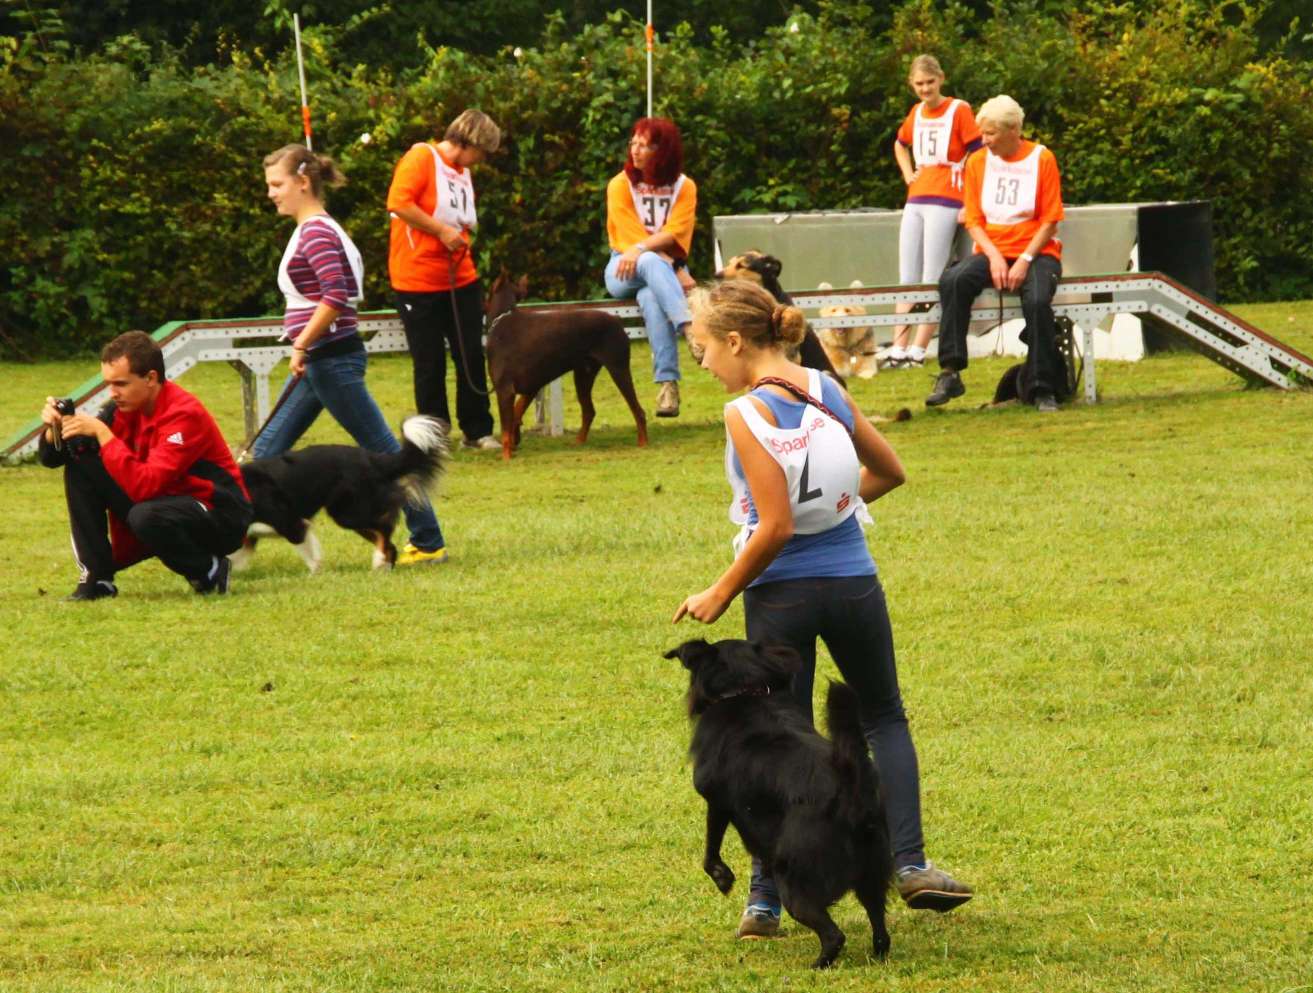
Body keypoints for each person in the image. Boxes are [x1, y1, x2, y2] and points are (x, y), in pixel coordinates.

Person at [674, 280, 972, 939]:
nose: (701, 364)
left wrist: (718, 591)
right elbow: (889, 470)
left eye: (701, 350)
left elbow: (774, 526)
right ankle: (911, 862)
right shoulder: (825, 387)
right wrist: (838, 510)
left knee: (778, 735)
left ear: (733, 341)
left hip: (780, 592)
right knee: (883, 717)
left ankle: (765, 899)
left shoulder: (742, 413)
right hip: (852, 581)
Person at [255, 143, 448, 566]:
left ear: (303, 183)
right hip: (322, 361)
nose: (271, 193)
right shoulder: (314, 229)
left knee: (386, 453)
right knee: (267, 452)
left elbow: (335, 295)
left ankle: (429, 540)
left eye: (277, 184)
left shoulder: (318, 232)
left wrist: (302, 342)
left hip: (330, 358)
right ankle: (245, 535)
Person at [38, 331, 252, 599]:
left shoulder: (183, 414)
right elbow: (57, 457)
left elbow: (146, 486)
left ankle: (209, 571)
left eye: (121, 384)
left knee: (147, 515)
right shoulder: (124, 409)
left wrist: (104, 435)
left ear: (151, 378)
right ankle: (98, 579)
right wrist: (53, 429)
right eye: (108, 384)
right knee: (82, 466)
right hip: (164, 504)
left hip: (220, 514)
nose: (113, 393)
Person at [926, 94, 1065, 412]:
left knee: (1038, 298)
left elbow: (1050, 220)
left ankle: (1044, 387)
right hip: (993, 250)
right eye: (983, 133)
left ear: (1014, 130)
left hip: (1036, 250)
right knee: (953, 280)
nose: (983, 140)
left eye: (991, 134)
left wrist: (1025, 260)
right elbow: (973, 220)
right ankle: (951, 370)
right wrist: (995, 257)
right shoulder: (977, 162)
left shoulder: (1042, 159)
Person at [387, 109, 501, 451]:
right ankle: (433, 436)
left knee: (470, 354)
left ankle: (477, 429)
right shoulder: (421, 157)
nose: (481, 160)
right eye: (481, 152)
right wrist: (440, 231)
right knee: (429, 361)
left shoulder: (461, 172)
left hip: (461, 277)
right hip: (417, 279)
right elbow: (398, 203)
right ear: (469, 141)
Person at [887, 54, 982, 369]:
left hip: (947, 196)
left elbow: (977, 153)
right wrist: (907, 173)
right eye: (919, 84)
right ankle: (898, 347)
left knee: (932, 275)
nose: (925, 89)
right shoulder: (916, 112)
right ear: (911, 85)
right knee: (907, 275)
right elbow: (900, 143)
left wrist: (970, 198)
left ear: (941, 79)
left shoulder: (959, 109)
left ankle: (918, 348)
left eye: (930, 82)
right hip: (917, 196)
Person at [605, 117, 698, 418]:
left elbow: (676, 231)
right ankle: (690, 329)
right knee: (645, 259)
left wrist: (655, 256)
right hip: (621, 266)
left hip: (657, 272)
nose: (636, 150)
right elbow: (631, 240)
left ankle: (667, 385)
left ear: (664, 150)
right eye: (633, 143)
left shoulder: (684, 186)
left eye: (645, 145)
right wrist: (675, 268)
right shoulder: (620, 184)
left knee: (651, 297)